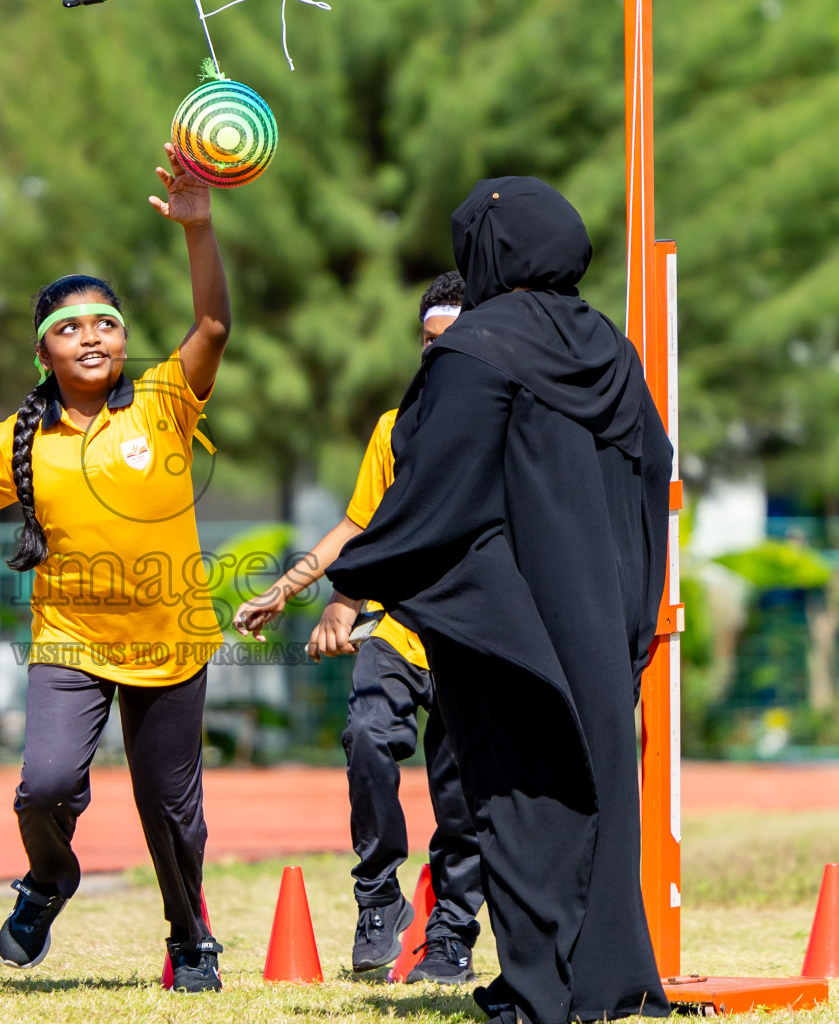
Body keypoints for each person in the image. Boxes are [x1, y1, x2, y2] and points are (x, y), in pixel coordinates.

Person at [0, 144, 231, 993]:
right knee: (45, 785)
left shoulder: (165, 402)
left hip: (172, 637)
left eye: (105, 323)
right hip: (69, 639)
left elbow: (212, 327)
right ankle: (49, 878)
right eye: (69, 328)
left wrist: (199, 230)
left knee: (173, 812)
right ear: (44, 355)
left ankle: (187, 934)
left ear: (125, 339)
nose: (90, 337)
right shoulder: (25, 437)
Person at [326, 177, 673, 1024]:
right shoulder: (612, 351)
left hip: (508, 618)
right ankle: (611, 983)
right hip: (599, 611)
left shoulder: (475, 349)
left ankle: (539, 991)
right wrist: (632, 610)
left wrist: (354, 577)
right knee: (598, 794)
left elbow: (436, 484)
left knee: (516, 797)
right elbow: (651, 473)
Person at [231, 272, 483, 984]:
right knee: (369, 736)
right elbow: (356, 524)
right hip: (401, 625)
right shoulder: (395, 428)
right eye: (430, 343)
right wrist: (290, 588)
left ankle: (452, 936)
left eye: (456, 344)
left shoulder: (511, 420)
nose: (441, 357)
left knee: (462, 795)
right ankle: (379, 897)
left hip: (477, 634)